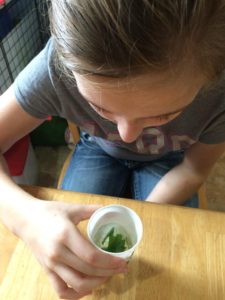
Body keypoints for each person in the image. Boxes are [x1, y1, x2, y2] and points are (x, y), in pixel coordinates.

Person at [1, 0, 225, 298]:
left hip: (174, 161)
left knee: (169, 248)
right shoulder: (54, 69)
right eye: (99, 108)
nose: (127, 135)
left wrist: (144, 212)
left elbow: (195, 168)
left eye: (164, 114)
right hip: (98, 149)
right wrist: (22, 215)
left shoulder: (219, 94)